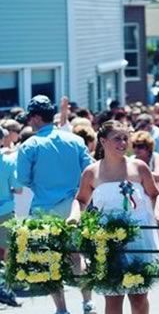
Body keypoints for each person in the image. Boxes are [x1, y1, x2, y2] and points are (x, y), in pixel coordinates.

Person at [67, 120, 159, 314]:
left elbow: (155, 194)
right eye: (117, 139)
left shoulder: (139, 167)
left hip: (139, 237)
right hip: (107, 239)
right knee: (113, 298)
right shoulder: (91, 172)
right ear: (103, 141)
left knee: (139, 297)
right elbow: (80, 200)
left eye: (125, 138)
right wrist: (74, 216)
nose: (122, 143)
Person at [16, 95, 96, 314]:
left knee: (49, 258)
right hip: (73, 207)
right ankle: (88, 302)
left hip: (44, 207)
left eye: (30, 118)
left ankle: (61, 308)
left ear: (35, 118)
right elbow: (90, 172)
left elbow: (22, 179)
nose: (28, 122)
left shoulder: (30, 145)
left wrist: (39, 181)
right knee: (76, 255)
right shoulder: (75, 140)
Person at [0, 127, 22, 307]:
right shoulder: (8, 162)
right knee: (7, 251)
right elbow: (19, 188)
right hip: (5, 210)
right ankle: (7, 287)